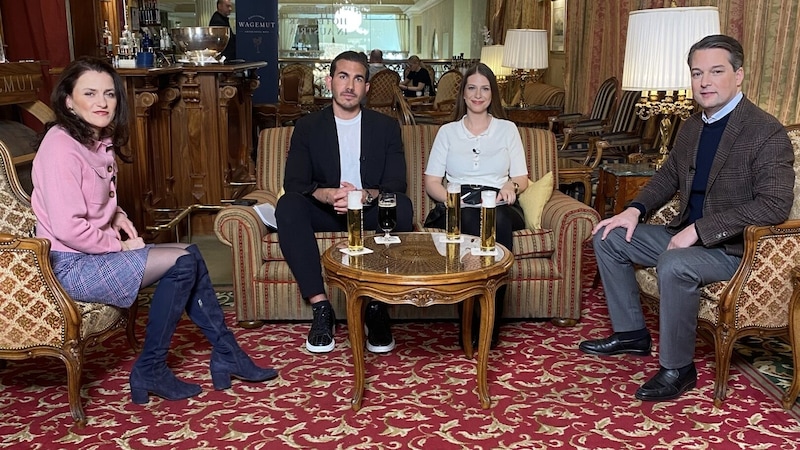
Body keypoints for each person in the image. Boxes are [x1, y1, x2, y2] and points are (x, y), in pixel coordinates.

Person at [31, 57, 277, 405]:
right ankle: (156, 367)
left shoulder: (95, 139)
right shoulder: (60, 147)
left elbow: (89, 194)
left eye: (110, 94)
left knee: (189, 254)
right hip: (70, 266)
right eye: (90, 93)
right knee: (182, 263)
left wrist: (115, 214)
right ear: (69, 100)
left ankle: (225, 353)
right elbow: (68, 227)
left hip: (87, 255)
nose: (102, 102)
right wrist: (121, 247)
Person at [579, 35, 794, 402]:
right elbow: (667, 177)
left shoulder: (764, 131)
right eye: (697, 73)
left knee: (675, 264)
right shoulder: (694, 125)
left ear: (739, 75)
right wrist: (633, 210)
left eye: (716, 71)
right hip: (683, 234)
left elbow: (773, 204)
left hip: (734, 249)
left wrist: (700, 229)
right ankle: (632, 334)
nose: (704, 81)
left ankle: (679, 369)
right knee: (608, 235)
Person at [275, 51, 414, 354]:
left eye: (358, 78)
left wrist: (363, 195)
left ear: (366, 87)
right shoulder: (307, 126)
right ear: (330, 82)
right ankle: (321, 308)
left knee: (402, 206)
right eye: (343, 76)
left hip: (367, 210)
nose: (350, 85)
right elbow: (295, 184)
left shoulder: (386, 127)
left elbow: (395, 185)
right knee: (288, 205)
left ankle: (376, 306)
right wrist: (327, 193)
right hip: (326, 209)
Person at [423, 62, 529, 348]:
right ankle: (469, 320)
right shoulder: (447, 132)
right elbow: (432, 181)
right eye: (472, 88)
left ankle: (489, 322)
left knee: (497, 222)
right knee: (468, 222)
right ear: (464, 94)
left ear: (492, 94)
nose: (478, 95)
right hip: (458, 200)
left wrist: (511, 186)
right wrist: (451, 201)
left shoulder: (507, 129)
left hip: (498, 200)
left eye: (484, 89)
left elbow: (522, 177)